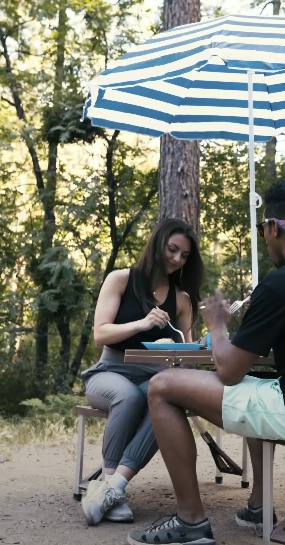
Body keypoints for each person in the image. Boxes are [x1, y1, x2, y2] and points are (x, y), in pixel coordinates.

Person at [127, 180, 285, 545]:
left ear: (274, 228)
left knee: (163, 386)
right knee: (257, 383)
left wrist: (216, 324)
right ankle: (259, 505)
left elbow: (228, 371)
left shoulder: (282, 283)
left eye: (263, 228)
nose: (264, 236)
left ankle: (191, 521)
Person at [80, 218, 205, 526]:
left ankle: (112, 488)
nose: (177, 259)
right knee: (128, 395)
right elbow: (100, 334)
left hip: (154, 375)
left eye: (184, 255)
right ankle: (111, 485)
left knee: (166, 398)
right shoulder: (121, 279)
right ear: (157, 244)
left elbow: (186, 357)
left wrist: (201, 345)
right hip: (109, 371)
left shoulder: (183, 299)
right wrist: (143, 323)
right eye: (172, 249)